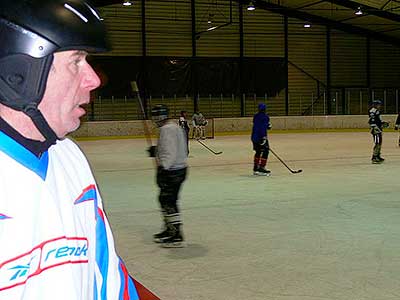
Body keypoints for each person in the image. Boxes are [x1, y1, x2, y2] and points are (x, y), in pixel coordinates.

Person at [0, 1, 141, 299]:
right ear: (18, 75)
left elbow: (108, 280)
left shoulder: (69, 157)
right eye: (76, 61)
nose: (94, 79)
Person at [149, 105, 188, 248]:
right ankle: (169, 229)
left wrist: (163, 167)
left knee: (168, 201)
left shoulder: (167, 129)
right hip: (177, 169)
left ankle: (176, 235)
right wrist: (157, 151)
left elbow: (170, 151)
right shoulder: (172, 126)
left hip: (173, 171)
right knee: (166, 200)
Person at [251, 103, 272, 176]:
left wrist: (267, 126)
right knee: (266, 151)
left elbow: (258, 126)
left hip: (254, 137)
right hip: (261, 137)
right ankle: (261, 167)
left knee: (258, 151)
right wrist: (263, 137)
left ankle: (256, 168)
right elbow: (262, 128)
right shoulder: (265, 117)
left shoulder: (256, 116)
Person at [368, 99, 389, 164]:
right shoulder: (375, 111)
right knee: (377, 143)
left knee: (379, 143)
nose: (379, 106)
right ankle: (374, 157)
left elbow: (375, 121)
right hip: (376, 130)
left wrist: (382, 123)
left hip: (377, 129)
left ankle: (377, 156)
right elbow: (373, 121)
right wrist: (379, 125)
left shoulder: (374, 111)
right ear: (375, 105)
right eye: (378, 105)